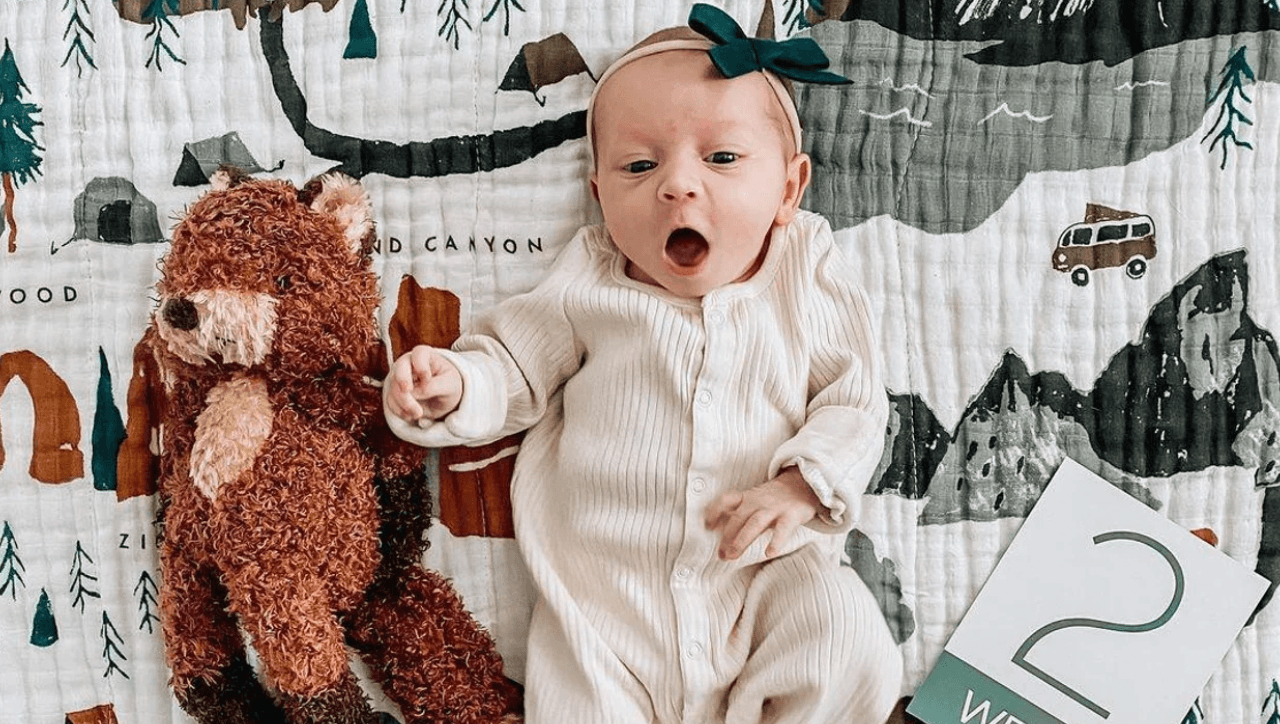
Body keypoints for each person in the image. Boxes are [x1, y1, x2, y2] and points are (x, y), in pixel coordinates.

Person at [384, 4, 902, 722]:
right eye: (638, 165)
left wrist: (800, 487)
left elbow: (854, 398)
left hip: (759, 579)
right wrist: (456, 385)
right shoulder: (591, 281)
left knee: (842, 632)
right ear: (600, 197)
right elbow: (515, 362)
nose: (677, 185)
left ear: (788, 188)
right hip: (606, 610)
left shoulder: (803, 269)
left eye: (722, 158)